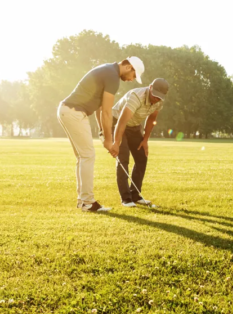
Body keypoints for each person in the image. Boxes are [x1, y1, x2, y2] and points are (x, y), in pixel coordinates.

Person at [57, 57, 144, 212]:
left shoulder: (108, 70)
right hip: (74, 112)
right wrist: (109, 141)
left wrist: (104, 134)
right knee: (88, 155)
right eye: (133, 76)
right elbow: (106, 112)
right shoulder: (112, 76)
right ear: (128, 67)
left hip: (67, 110)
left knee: (83, 157)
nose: (131, 80)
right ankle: (88, 202)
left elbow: (100, 108)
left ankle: (83, 201)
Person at [111, 77, 169, 207]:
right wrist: (116, 142)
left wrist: (145, 139)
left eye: (159, 97)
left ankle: (135, 195)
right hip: (117, 122)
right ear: (150, 87)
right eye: (155, 95)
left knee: (142, 157)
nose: (156, 99)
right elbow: (121, 122)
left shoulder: (159, 101)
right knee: (123, 158)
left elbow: (152, 119)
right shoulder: (136, 97)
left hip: (134, 126)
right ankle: (126, 198)